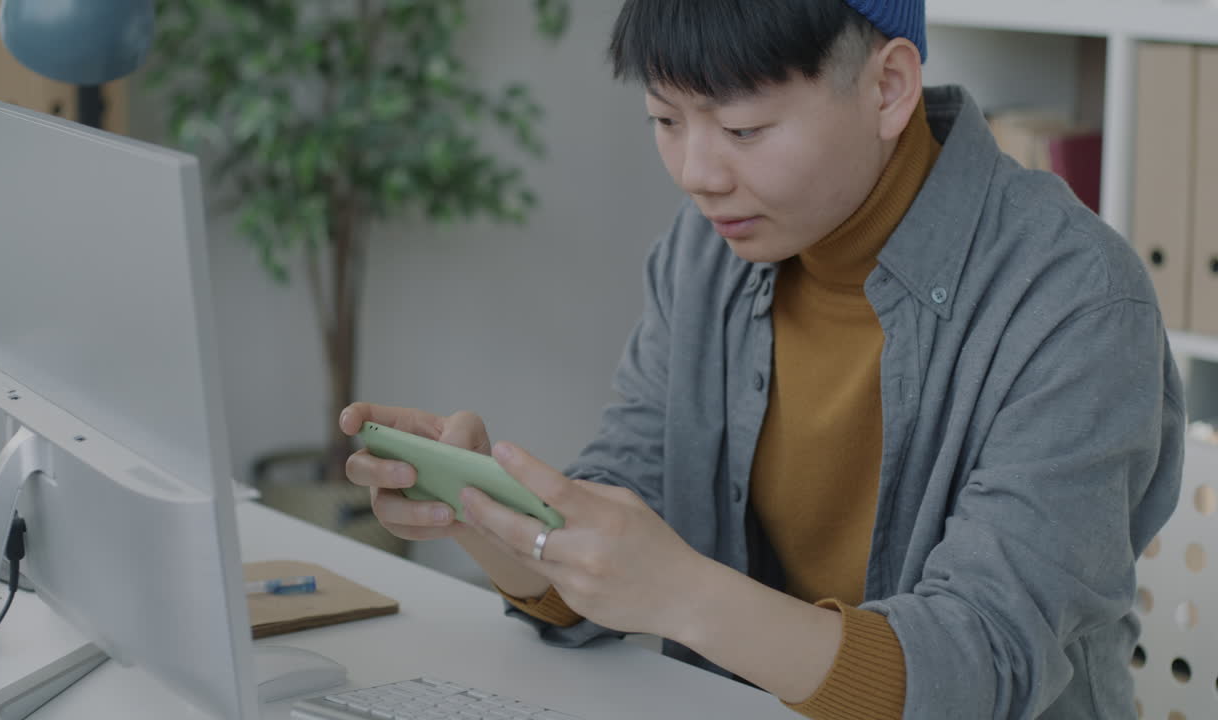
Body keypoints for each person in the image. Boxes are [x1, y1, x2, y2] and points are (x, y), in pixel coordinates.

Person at [339, 1, 1185, 717]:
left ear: (888, 88)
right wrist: (493, 517)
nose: (697, 173)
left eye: (744, 128)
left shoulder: (1076, 300)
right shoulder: (705, 256)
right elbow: (633, 510)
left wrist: (679, 592)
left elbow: (981, 664)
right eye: (666, 120)